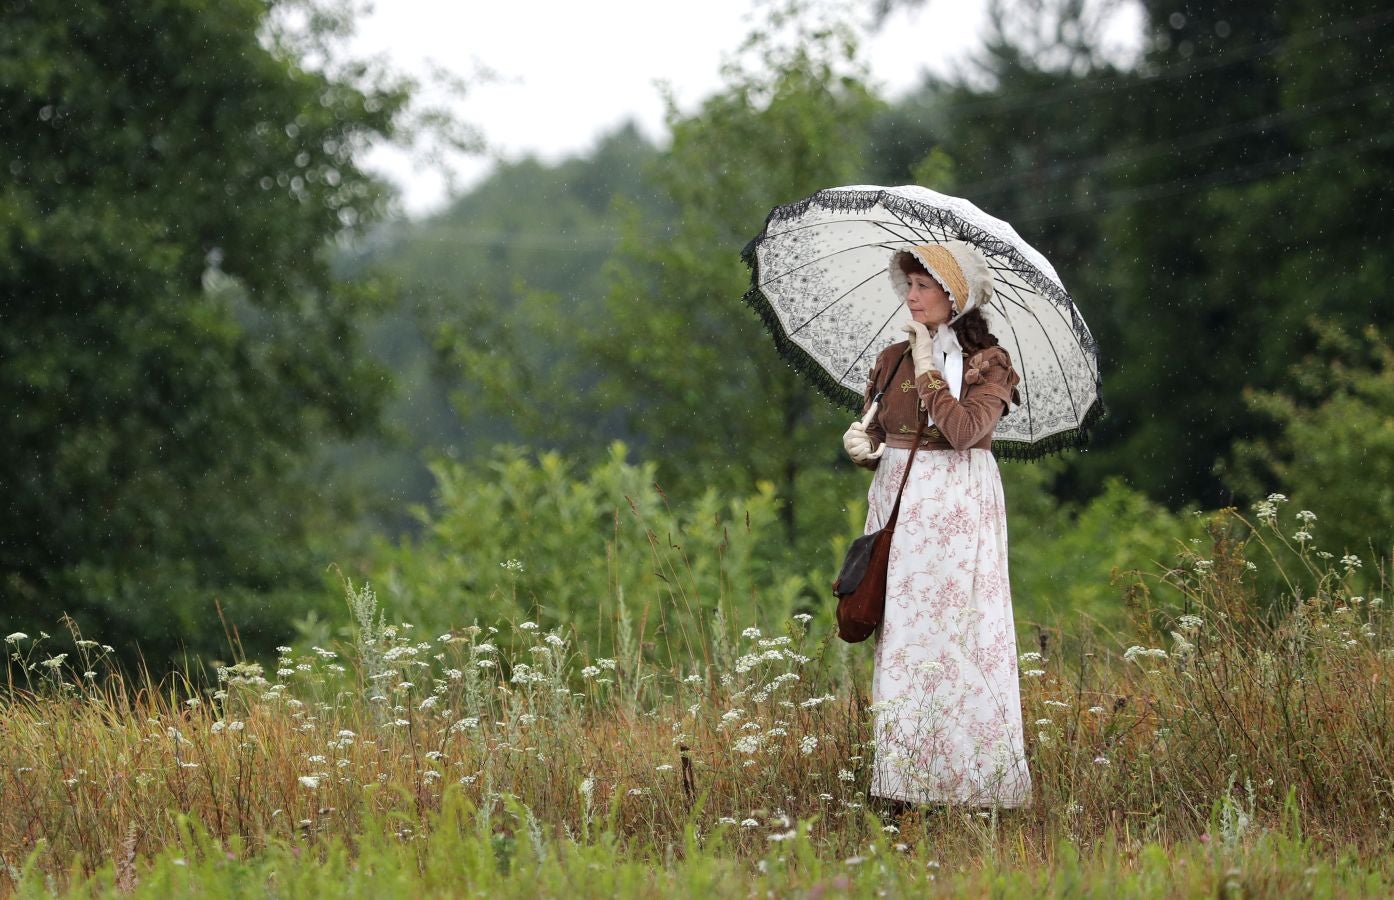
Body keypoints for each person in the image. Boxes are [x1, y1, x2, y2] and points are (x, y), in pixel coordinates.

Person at [840, 240, 1033, 812]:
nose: (912, 295)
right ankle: (904, 784)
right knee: (905, 637)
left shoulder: (988, 364)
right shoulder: (891, 358)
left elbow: (964, 432)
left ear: (955, 297)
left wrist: (929, 371)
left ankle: (975, 785)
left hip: (956, 504)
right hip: (901, 503)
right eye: (910, 285)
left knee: (960, 634)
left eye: (924, 286)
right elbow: (886, 433)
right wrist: (865, 448)